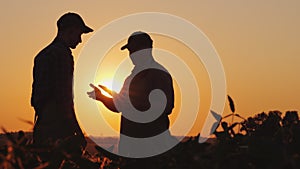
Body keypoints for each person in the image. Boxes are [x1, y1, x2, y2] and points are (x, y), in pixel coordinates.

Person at [87, 31, 175, 157]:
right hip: (130, 144)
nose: (131, 55)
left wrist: (126, 102)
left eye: (135, 50)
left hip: (151, 145)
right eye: (130, 51)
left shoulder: (158, 74)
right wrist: (102, 97)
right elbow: (120, 107)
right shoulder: (131, 77)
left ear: (147, 50)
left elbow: (165, 107)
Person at [31, 12, 93, 150]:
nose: (80, 40)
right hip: (59, 128)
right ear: (70, 31)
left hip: (42, 124)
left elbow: (38, 98)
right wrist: (76, 129)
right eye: (79, 34)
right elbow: (64, 97)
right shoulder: (62, 55)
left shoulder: (41, 55)